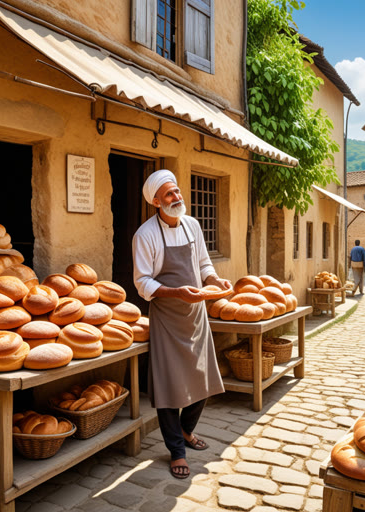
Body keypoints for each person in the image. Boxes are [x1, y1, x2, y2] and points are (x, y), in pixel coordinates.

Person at [132, 169, 230, 480]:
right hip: (167, 318)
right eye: (170, 194)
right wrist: (176, 292)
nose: (178, 197)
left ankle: (186, 431)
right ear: (156, 202)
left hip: (196, 314)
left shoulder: (193, 225)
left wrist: (214, 280)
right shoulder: (145, 235)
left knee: (203, 379)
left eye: (177, 191)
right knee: (168, 385)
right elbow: (142, 281)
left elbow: (203, 263)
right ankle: (176, 450)